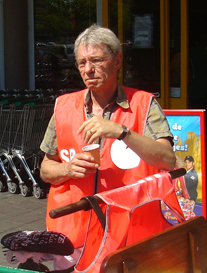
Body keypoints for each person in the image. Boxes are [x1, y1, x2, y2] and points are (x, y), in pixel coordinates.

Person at [40, 24, 175, 270]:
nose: (88, 70)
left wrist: (122, 133)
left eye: (96, 60)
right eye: (82, 63)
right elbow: (46, 169)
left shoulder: (144, 104)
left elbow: (167, 159)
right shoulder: (63, 106)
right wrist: (68, 169)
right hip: (75, 235)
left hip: (128, 233)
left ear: (117, 61)